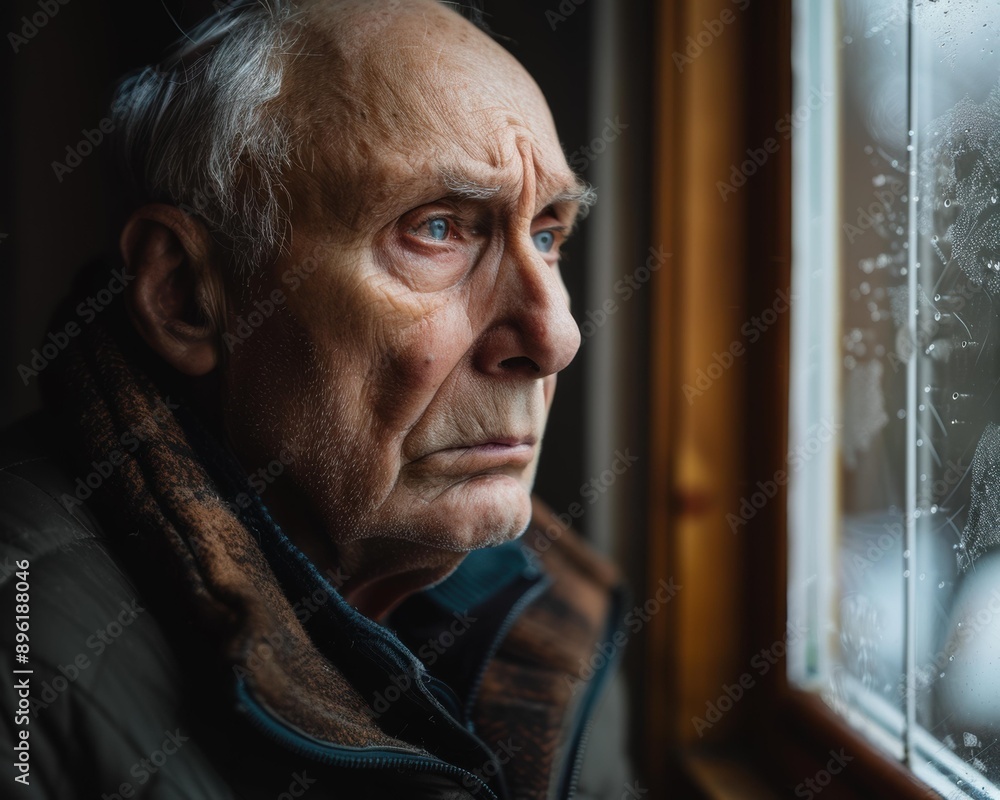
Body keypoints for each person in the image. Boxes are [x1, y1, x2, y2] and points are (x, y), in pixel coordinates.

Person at [0, 1, 630, 797]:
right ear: (187, 295)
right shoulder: (22, 662)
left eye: (546, 233)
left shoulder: (554, 609)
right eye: (437, 228)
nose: (555, 336)